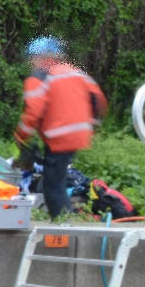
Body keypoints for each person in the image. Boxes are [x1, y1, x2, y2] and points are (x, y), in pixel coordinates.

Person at [13, 36, 108, 217]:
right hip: (79, 134)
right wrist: (91, 125)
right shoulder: (76, 72)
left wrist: (20, 137)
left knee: (53, 185)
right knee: (58, 178)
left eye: (32, 58)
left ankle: (63, 226)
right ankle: (66, 220)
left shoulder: (40, 77)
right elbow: (98, 100)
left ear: (43, 57)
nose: (31, 63)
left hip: (58, 137)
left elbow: (33, 112)